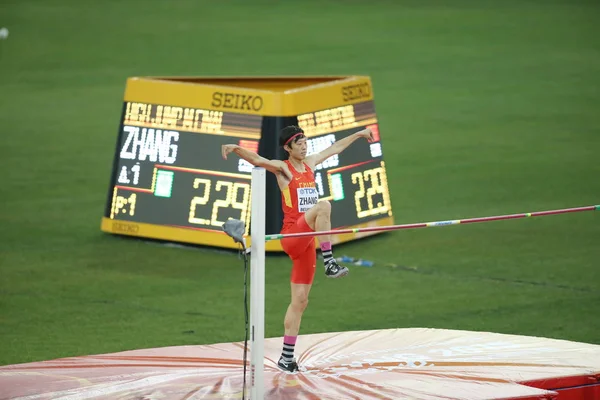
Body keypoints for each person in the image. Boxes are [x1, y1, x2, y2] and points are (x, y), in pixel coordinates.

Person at [221, 125, 374, 373]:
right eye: (298, 142)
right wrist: (237, 148)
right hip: (292, 235)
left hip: (307, 243)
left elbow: (335, 148)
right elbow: (258, 159)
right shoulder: (284, 169)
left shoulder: (311, 164)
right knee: (323, 206)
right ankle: (329, 261)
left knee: (300, 301)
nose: (304, 145)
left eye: (305, 141)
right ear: (288, 148)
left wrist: (358, 135)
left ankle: (286, 358)